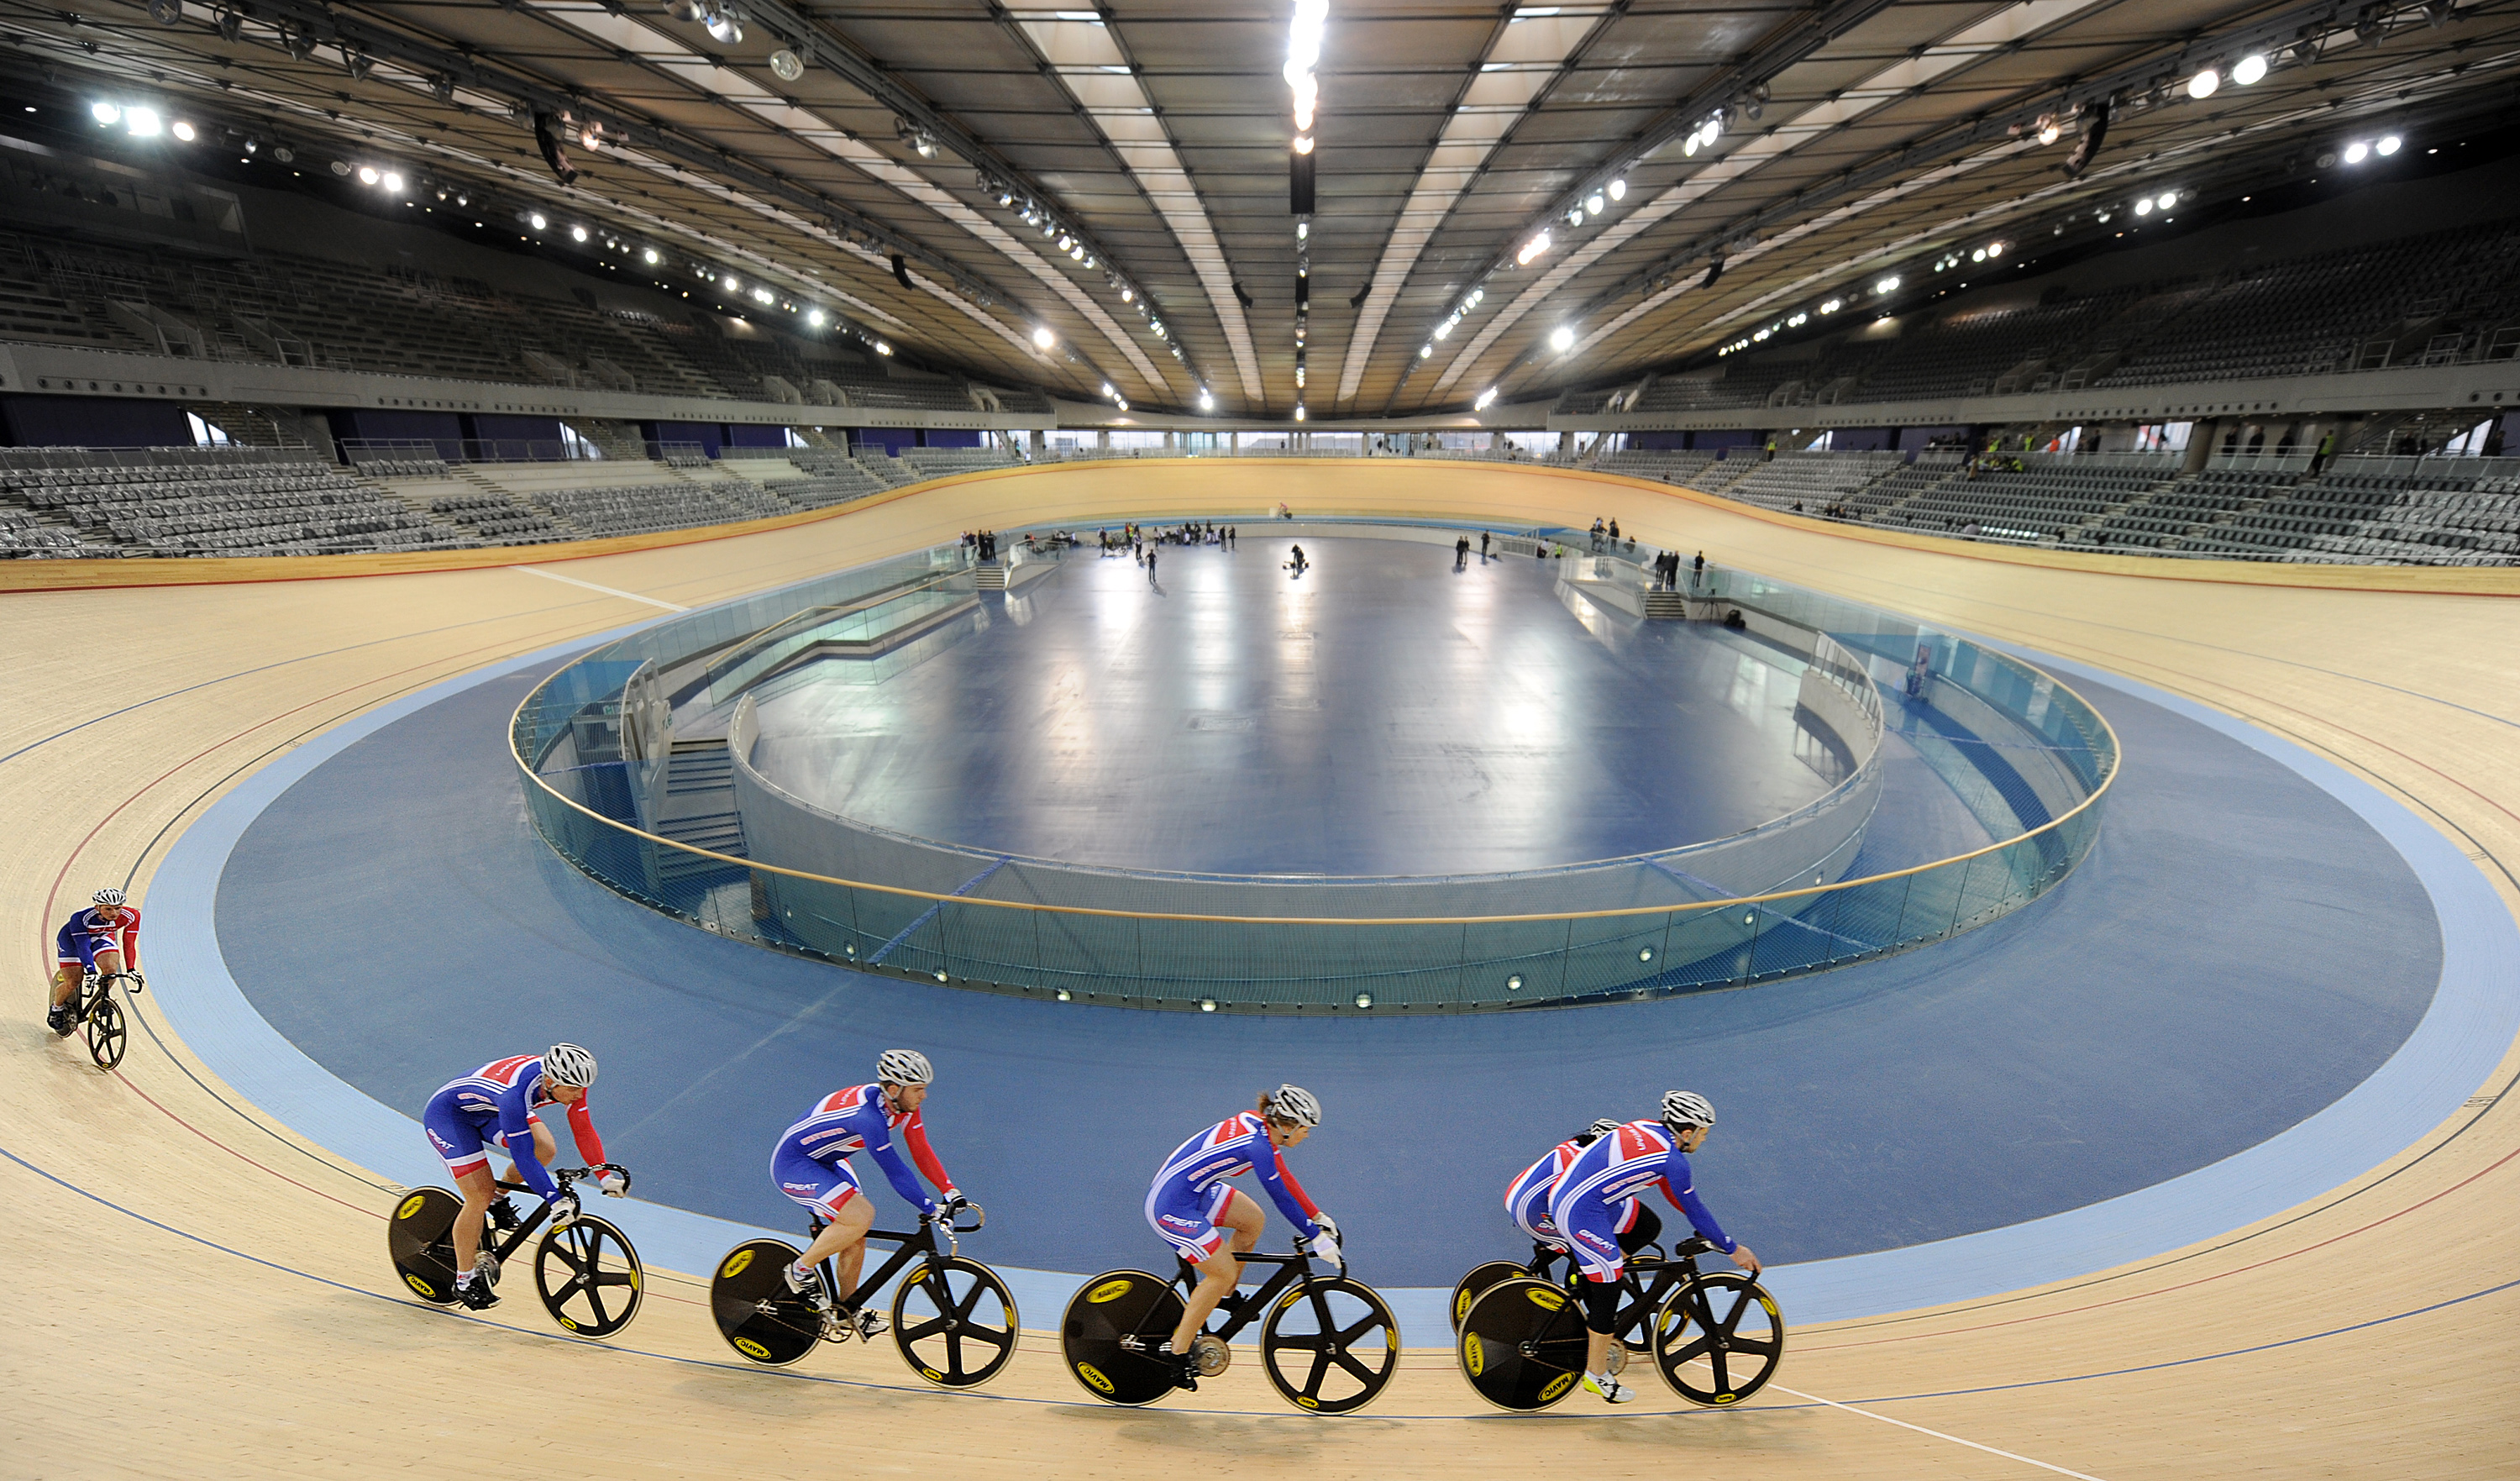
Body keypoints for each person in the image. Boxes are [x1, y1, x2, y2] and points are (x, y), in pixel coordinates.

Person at [1549, 1091, 1758, 1404]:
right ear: (1687, 1132)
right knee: (1610, 1282)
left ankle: (1588, 1299)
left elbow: (1673, 1194)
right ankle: (1596, 1373)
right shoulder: (1674, 1161)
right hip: (1581, 1210)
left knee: (1639, 1233)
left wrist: (1699, 1224)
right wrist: (1732, 1248)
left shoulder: (1645, 1127)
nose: (1704, 1139)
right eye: (1704, 1133)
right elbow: (1694, 1206)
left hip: (1584, 1201)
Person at [769, 1049, 976, 1339]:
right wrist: (930, 1207)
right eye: (918, 1090)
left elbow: (921, 1149)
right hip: (795, 1164)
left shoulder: (902, 1106)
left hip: (828, 1159)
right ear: (894, 1089)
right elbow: (894, 1170)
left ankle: (846, 1309)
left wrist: (950, 1191)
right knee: (860, 1216)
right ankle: (799, 1272)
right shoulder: (868, 1118)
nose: (924, 1096)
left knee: (856, 1230)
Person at [1144, 1086, 1339, 1389]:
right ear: (1287, 1127)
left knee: (1252, 1221)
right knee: (1220, 1272)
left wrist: (1316, 1216)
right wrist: (1315, 1236)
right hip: (1171, 1205)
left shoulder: (1260, 1124)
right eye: (1305, 1129)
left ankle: (1225, 1295)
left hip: (1194, 1191)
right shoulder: (1257, 1147)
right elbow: (1281, 1198)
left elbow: (1284, 1176)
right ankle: (1178, 1352)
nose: (1308, 1135)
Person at [420, 1044, 621, 1310]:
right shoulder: (515, 1094)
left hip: (489, 1110)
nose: (579, 1094)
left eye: (583, 1088)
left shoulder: (568, 1082)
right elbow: (523, 1157)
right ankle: (464, 1282)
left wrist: (604, 1176)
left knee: (545, 1149)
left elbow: (583, 1131)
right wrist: (554, 1199)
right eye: (573, 1088)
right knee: (479, 1195)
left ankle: (499, 1200)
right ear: (550, 1081)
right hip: (450, 1117)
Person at [1504, 1118, 1649, 1254]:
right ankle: (1602, 1272)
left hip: (1517, 1199)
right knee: (1647, 1226)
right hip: (1535, 1209)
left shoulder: (1573, 1145)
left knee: (1576, 1237)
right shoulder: (1593, 1162)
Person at [51, 886, 141, 1035]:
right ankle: (57, 1008)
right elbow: (83, 945)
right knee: (73, 981)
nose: (114, 913)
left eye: (118, 908)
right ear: (97, 907)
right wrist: (91, 970)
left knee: (111, 971)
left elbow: (129, 943)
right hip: (72, 941)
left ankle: (103, 1000)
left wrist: (131, 969)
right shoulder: (80, 918)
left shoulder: (132, 915)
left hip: (102, 937)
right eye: (108, 909)